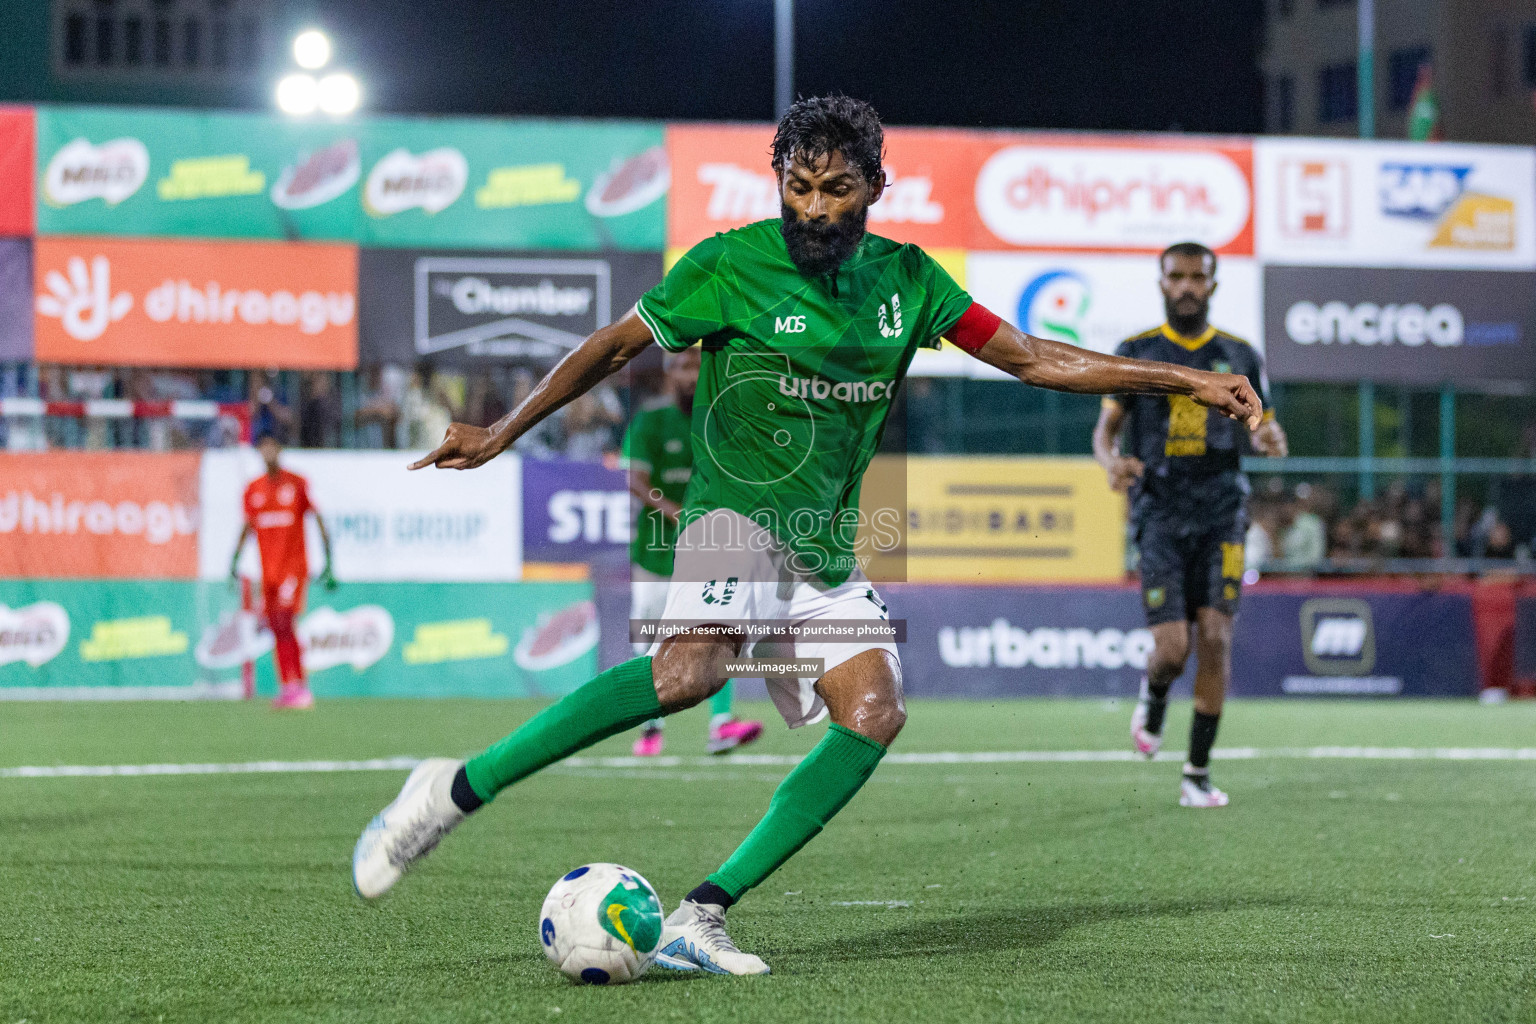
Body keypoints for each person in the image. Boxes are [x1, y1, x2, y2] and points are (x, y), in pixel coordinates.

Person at [351, 96, 1262, 974]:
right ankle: (453, 790)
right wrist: (503, 429)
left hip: (819, 539)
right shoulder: (730, 264)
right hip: (731, 512)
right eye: (798, 186)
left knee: (874, 713)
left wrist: (1176, 380)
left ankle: (699, 914)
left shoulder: (909, 282)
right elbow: (613, 344)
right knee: (687, 675)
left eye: (836, 190)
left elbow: (1030, 358)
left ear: (874, 189)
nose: (814, 208)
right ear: (779, 181)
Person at [1092, 241, 1288, 809]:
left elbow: (1263, 425)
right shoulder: (1137, 353)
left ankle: (1197, 774)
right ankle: (1155, 696)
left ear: (1213, 284)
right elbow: (1106, 433)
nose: (1185, 287)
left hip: (1223, 511)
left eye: (1195, 278)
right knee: (1173, 650)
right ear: (1161, 283)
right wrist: (1111, 463)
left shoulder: (1240, 354)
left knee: (1217, 639)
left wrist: (1270, 436)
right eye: (1175, 277)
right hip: (1159, 513)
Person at [625, 347, 765, 757]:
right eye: (682, 367)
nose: (689, 376)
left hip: (708, 552)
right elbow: (636, 480)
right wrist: (673, 510)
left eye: (696, 369)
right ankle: (651, 729)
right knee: (649, 642)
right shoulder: (651, 420)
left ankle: (721, 725)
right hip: (655, 553)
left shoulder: (722, 423)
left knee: (719, 631)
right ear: (670, 373)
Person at [229, 432, 336, 710]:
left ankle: (299, 686)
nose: (268, 454)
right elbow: (248, 526)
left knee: (287, 621)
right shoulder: (253, 489)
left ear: (279, 450)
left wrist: (329, 561)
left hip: (294, 569)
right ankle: (288, 687)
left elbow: (319, 518)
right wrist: (235, 559)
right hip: (269, 571)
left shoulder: (296, 483)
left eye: (271, 448)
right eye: (262, 449)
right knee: (277, 625)